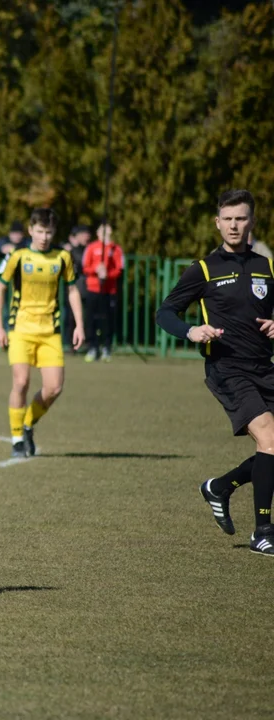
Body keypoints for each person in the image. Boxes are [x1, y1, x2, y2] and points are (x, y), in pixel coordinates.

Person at [156, 189, 274, 557]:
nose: (234, 225)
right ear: (218, 223)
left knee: (272, 447)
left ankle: (221, 486)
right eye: (228, 219)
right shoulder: (204, 269)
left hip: (264, 366)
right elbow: (165, 313)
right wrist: (191, 330)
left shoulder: (267, 267)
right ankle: (264, 532)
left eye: (241, 218)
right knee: (269, 435)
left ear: (252, 222)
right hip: (226, 367)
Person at [0, 208, 85, 458]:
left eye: (49, 232)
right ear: (31, 230)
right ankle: (16, 438)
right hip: (20, 329)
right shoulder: (17, 256)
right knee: (21, 382)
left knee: (54, 388)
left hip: (49, 332)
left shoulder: (62, 257)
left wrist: (79, 325)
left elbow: (73, 290)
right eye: (40, 231)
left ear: (54, 233)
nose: (44, 237)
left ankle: (28, 422)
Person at [82, 222, 124, 362]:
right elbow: (85, 267)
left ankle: (106, 347)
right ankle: (92, 347)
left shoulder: (116, 249)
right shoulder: (92, 248)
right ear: (98, 233)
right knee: (91, 318)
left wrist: (108, 274)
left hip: (109, 289)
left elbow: (119, 269)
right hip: (93, 288)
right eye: (103, 232)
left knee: (108, 319)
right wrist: (96, 270)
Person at [63, 225, 92, 352]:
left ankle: (88, 343)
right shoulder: (70, 250)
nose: (86, 236)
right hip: (75, 287)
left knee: (88, 316)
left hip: (88, 287)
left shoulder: (88, 249)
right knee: (71, 318)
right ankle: (72, 344)